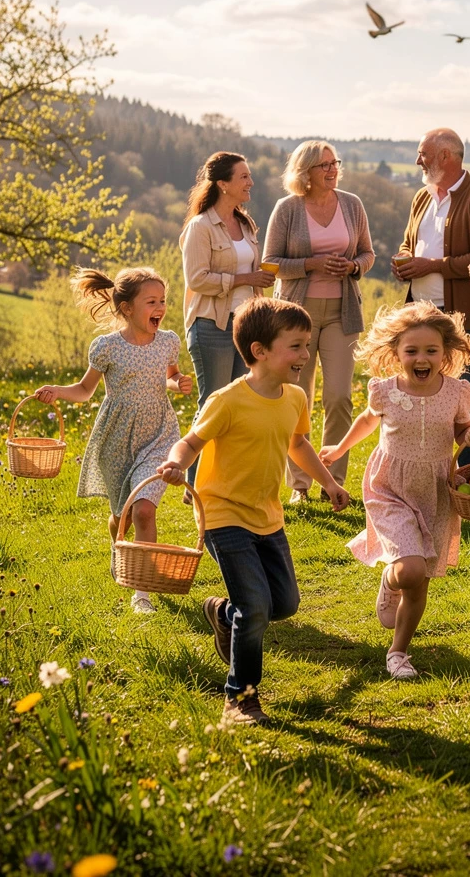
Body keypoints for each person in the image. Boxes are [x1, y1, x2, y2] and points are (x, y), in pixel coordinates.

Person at [157, 298, 351, 725]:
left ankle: (222, 613)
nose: (305, 355)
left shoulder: (295, 397)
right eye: (296, 346)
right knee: (257, 607)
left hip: (268, 515)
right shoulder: (227, 401)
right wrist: (176, 463)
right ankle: (240, 698)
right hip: (223, 515)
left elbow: (298, 444)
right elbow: (190, 442)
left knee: (283, 604)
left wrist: (330, 483)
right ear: (260, 351)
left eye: (306, 346)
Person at [319, 303, 470, 679]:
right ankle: (392, 576)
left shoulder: (458, 391)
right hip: (390, 486)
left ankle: (398, 652)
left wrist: (468, 434)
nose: (421, 358)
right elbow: (366, 420)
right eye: (412, 351)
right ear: (397, 355)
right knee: (409, 570)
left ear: (446, 353)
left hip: (436, 490)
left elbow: (460, 428)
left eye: (431, 351)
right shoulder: (385, 390)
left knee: (419, 576)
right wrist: (340, 449)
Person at [34, 267, 194, 614]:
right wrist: (57, 391)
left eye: (163, 300)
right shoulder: (107, 347)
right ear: (126, 309)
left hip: (158, 434)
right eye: (151, 301)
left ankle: (142, 592)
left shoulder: (167, 341)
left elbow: (169, 376)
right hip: (117, 438)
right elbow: (85, 390)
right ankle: (120, 546)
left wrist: (178, 382)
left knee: (144, 510)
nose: (160, 307)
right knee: (120, 515)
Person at [263, 141, 374, 503]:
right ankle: (300, 485)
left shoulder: (352, 204)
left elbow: (368, 254)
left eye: (334, 163)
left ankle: (333, 482)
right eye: (323, 165)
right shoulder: (288, 208)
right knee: (300, 398)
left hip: (343, 311)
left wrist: (353, 266)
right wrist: (310, 264)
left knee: (340, 397)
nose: (332, 170)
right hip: (296, 315)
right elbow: (271, 263)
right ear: (305, 172)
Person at [393, 127, 470, 468]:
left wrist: (431, 265)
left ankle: (466, 473)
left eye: (423, 153)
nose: (417, 160)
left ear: (445, 156)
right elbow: (409, 242)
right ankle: (428, 467)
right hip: (419, 312)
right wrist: (405, 260)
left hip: (460, 314)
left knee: (462, 392)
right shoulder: (422, 196)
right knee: (422, 390)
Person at [180, 151, 274, 493]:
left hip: (245, 325)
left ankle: (224, 481)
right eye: (244, 177)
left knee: (237, 405)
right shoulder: (200, 227)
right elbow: (198, 278)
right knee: (212, 404)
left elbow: (248, 271)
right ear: (223, 184)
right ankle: (195, 486)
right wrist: (242, 278)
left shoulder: (246, 224)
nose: (251, 182)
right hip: (211, 326)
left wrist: (258, 281)